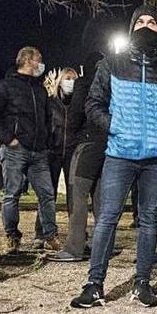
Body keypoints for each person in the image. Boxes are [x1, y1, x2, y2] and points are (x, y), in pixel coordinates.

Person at [70, 6, 157, 308]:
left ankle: (142, 284)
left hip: (156, 159)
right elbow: (93, 104)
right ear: (131, 28)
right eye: (140, 22)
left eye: (152, 22)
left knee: (149, 219)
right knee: (108, 219)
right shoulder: (112, 65)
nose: (146, 26)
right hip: (120, 155)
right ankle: (94, 285)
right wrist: (116, 127)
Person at [0, 46, 63, 254]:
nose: (42, 64)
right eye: (40, 60)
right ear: (28, 61)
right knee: (12, 194)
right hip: (15, 150)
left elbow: (47, 118)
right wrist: (9, 139)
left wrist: (47, 140)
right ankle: (12, 235)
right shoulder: (4, 87)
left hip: (39, 151)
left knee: (47, 194)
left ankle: (49, 235)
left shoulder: (39, 90)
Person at [49, 51, 107, 263]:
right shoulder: (113, 84)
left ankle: (74, 247)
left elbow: (74, 115)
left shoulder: (84, 84)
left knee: (77, 194)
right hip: (107, 145)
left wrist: (73, 140)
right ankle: (104, 246)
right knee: (101, 199)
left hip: (86, 144)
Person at [33, 67, 79, 249]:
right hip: (52, 151)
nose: (71, 82)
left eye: (74, 79)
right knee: (47, 193)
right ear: (60, 81)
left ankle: (77, 234)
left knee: (74, 195)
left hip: (72, 152)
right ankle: (41, 233)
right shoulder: (50, 102)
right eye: (67, 78)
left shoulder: (79, 103)